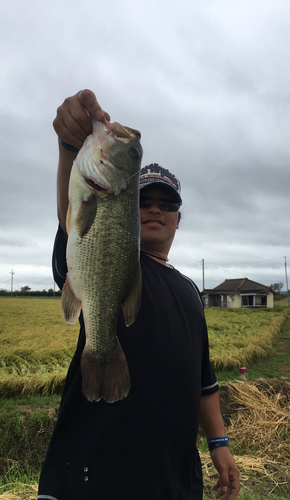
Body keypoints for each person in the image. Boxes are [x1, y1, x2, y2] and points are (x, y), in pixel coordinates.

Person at [38, 90, 240, 500]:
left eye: (167, 202)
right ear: (128, 206)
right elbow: (75, 218)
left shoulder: (189, 291)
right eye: (144, 198)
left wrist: (219, 443)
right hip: (93, 480)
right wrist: (69, 149)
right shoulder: (117, 258)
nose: (154, 208)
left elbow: (203, 379)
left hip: (175, 483)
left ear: (178, 219)